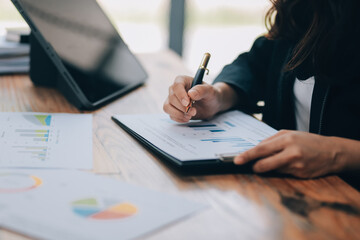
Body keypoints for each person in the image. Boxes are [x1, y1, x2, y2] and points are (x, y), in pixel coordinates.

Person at [163, 0, 360, 184]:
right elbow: (257, 63)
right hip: (284, 189)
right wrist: (219, 95)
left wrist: (337, 153)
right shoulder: (303, 8)